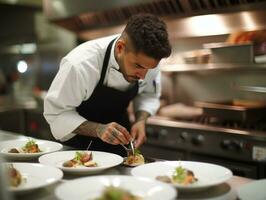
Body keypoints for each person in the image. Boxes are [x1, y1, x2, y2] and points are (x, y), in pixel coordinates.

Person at [43, 13, 171, 156]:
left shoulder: (147, 61)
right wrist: (98, 129)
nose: (143, 76)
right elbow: (56, 113)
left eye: (149, 69)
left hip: (120, 147)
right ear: (120, 48)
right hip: (78, 149)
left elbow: (148, 94)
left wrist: (140, 120)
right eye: (138, 66)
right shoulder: (80, 64)